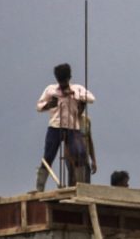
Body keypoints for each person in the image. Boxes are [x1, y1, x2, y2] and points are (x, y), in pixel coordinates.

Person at [35, 63, 95, 191]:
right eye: (60, 82)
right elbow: (39, 106)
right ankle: (40, 187)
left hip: (73, 127)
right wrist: (49, 105)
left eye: (64, 81)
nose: (62, 85)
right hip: (55, 126)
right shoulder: (51, 90)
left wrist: (74, 94)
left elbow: (91, 98)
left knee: (80, 153)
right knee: (48, 155)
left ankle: (81, 186)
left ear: (69, 78)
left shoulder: (77, 89)